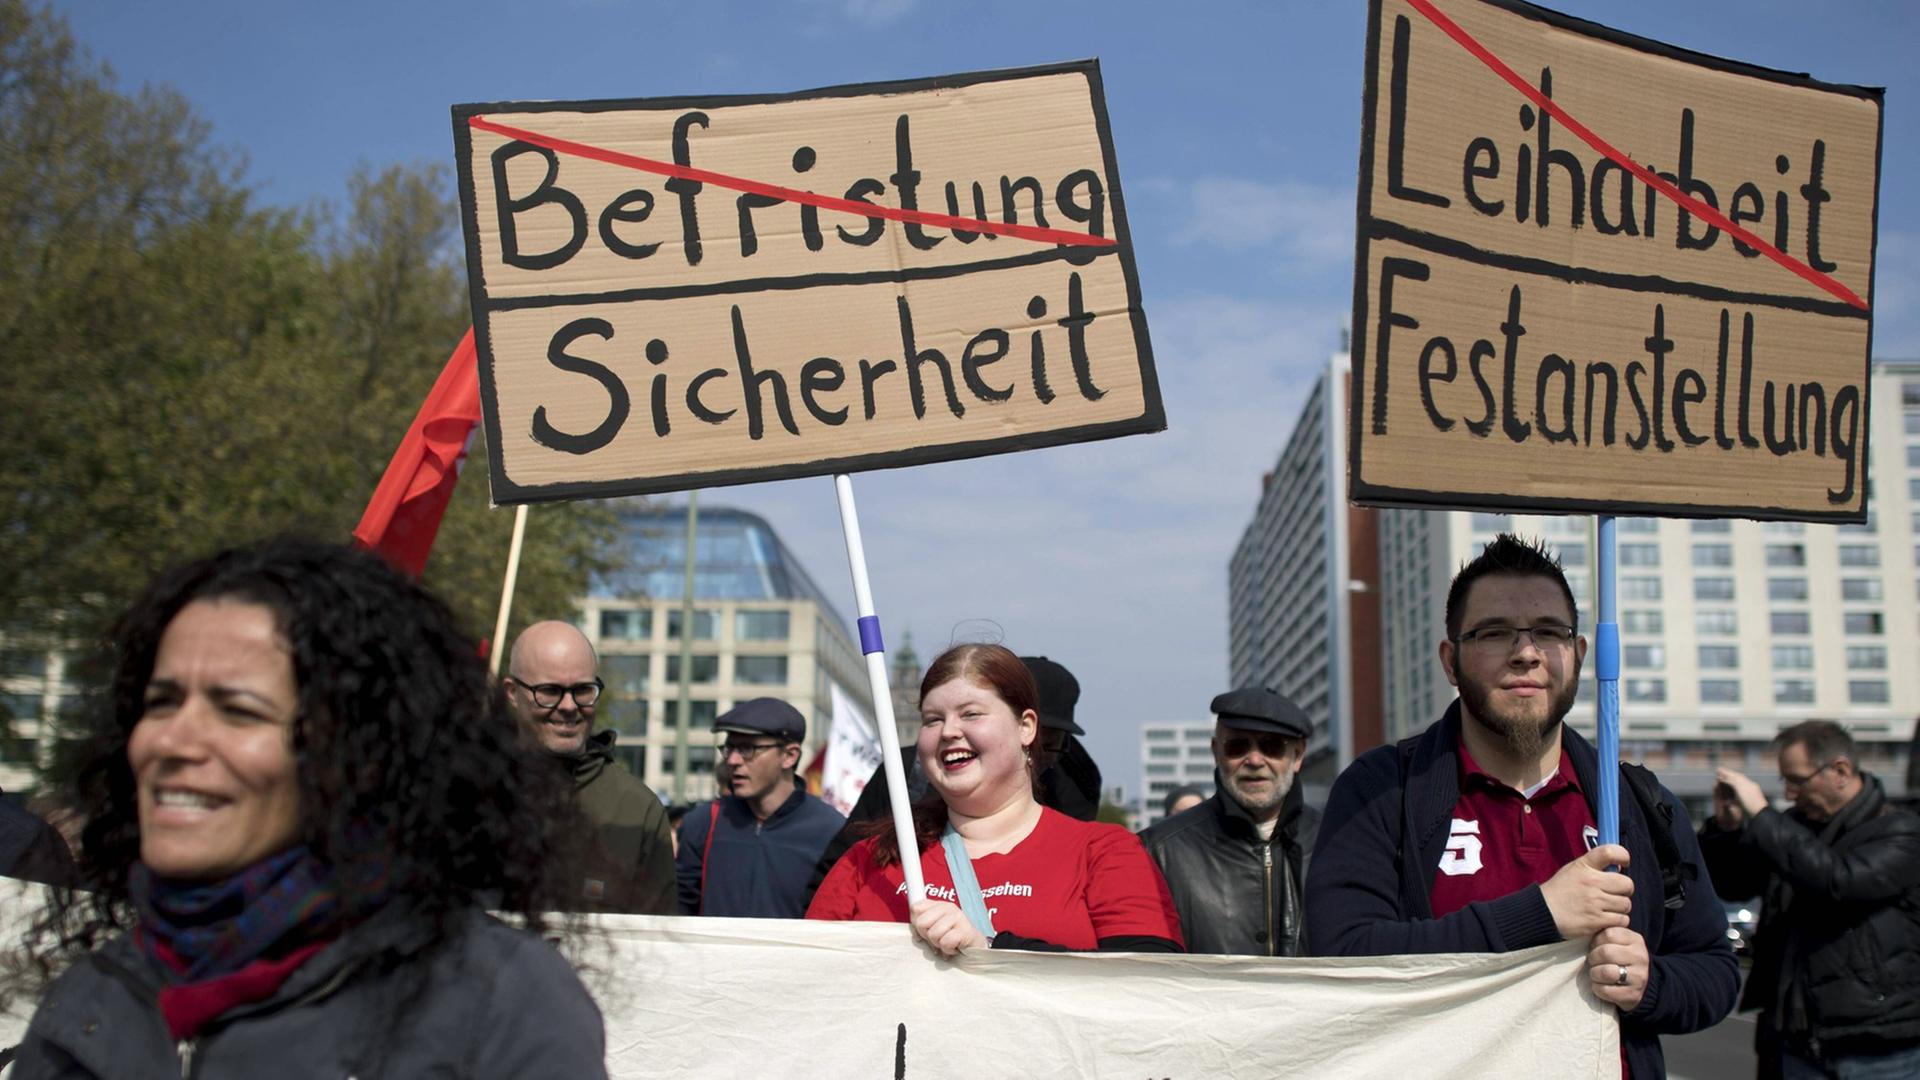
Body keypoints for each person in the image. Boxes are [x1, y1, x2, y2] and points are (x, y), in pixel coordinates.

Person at [5, 536, 606, 1078]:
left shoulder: (497, 1007)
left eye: (237, 710)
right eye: (160, 702)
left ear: (358, 755)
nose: (171, 741)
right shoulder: (93, 1002)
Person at [1305, 534, 1736, 1079]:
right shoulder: (1383, 788)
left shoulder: (1637, 802)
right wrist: (1541, 915)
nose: (1526, 652)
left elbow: (1715, 972)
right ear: (1450, 659)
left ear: (1579, 656)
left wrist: (1649, 985)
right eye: (1494, 633)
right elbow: (1342, 959)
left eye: (1549, 632)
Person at [807, 643, 1182, 954]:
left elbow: (1148, 989)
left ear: (1026, 727)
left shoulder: (1105, 853)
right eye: (932, 719)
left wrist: (989, 950)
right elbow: (809, 982)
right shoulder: (868, 860)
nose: (949, 731)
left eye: (971, 714)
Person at [1698, 720, 1920, 1078]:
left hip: (1877, 1045)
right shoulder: (1790, 828)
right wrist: (1727, 830)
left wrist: (1763, 815)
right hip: (1796, 1036)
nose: (1789, 793)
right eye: (1785, 781)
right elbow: (1734, 885)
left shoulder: (1900, 831)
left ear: (1841, 771)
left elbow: (1839, 881)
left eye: (1797, 781)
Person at [801, 653, 1104, 907]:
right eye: (933, 719)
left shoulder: (1080, 801)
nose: (1038, 752)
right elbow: (830, 890)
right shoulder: (901, 775)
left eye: (1053, 741)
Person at [505, 620, 675, 914]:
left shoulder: (638, 810)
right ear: (511, 693)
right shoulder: (465, 792)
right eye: (549, 690)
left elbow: (661, 944)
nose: (569, 706)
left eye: (583, 690)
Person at [1140, 687, 1320, 955]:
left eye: (1271, 746)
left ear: (1298, 755)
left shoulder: (1340, 841)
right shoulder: (1159, 850)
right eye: (1237, 746)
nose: (1255, 760)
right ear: (1216, 752)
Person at [675, 697, 844, 917]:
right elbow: (678, 913)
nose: (733, 760)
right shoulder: (703, 822)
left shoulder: (832, 831)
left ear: (789, 756)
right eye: (729, 748)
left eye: (747, 749)